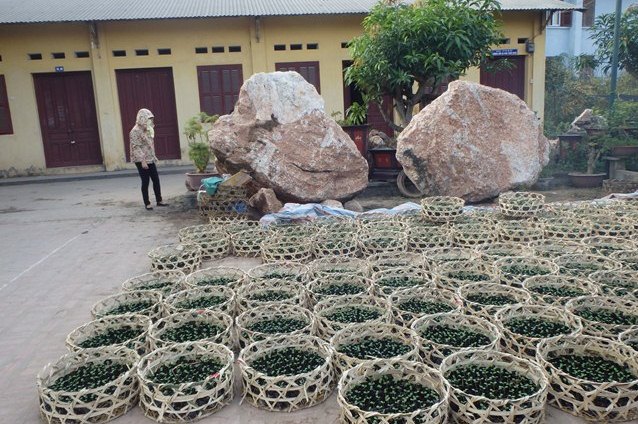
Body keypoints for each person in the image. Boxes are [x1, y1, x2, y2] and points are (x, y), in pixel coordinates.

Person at [130, 108, 168, 210]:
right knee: (145, 181)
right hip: (141, 160)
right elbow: (136, 147)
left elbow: (149, 144)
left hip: (150, 158)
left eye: (150, 119)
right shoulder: (135, 131)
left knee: (156, 179)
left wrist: (153, 156)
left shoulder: (147, 129)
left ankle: (159, 200)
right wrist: (143, 161)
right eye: (147, 119)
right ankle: (147, 203)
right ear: (141, 118)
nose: (149, 121)